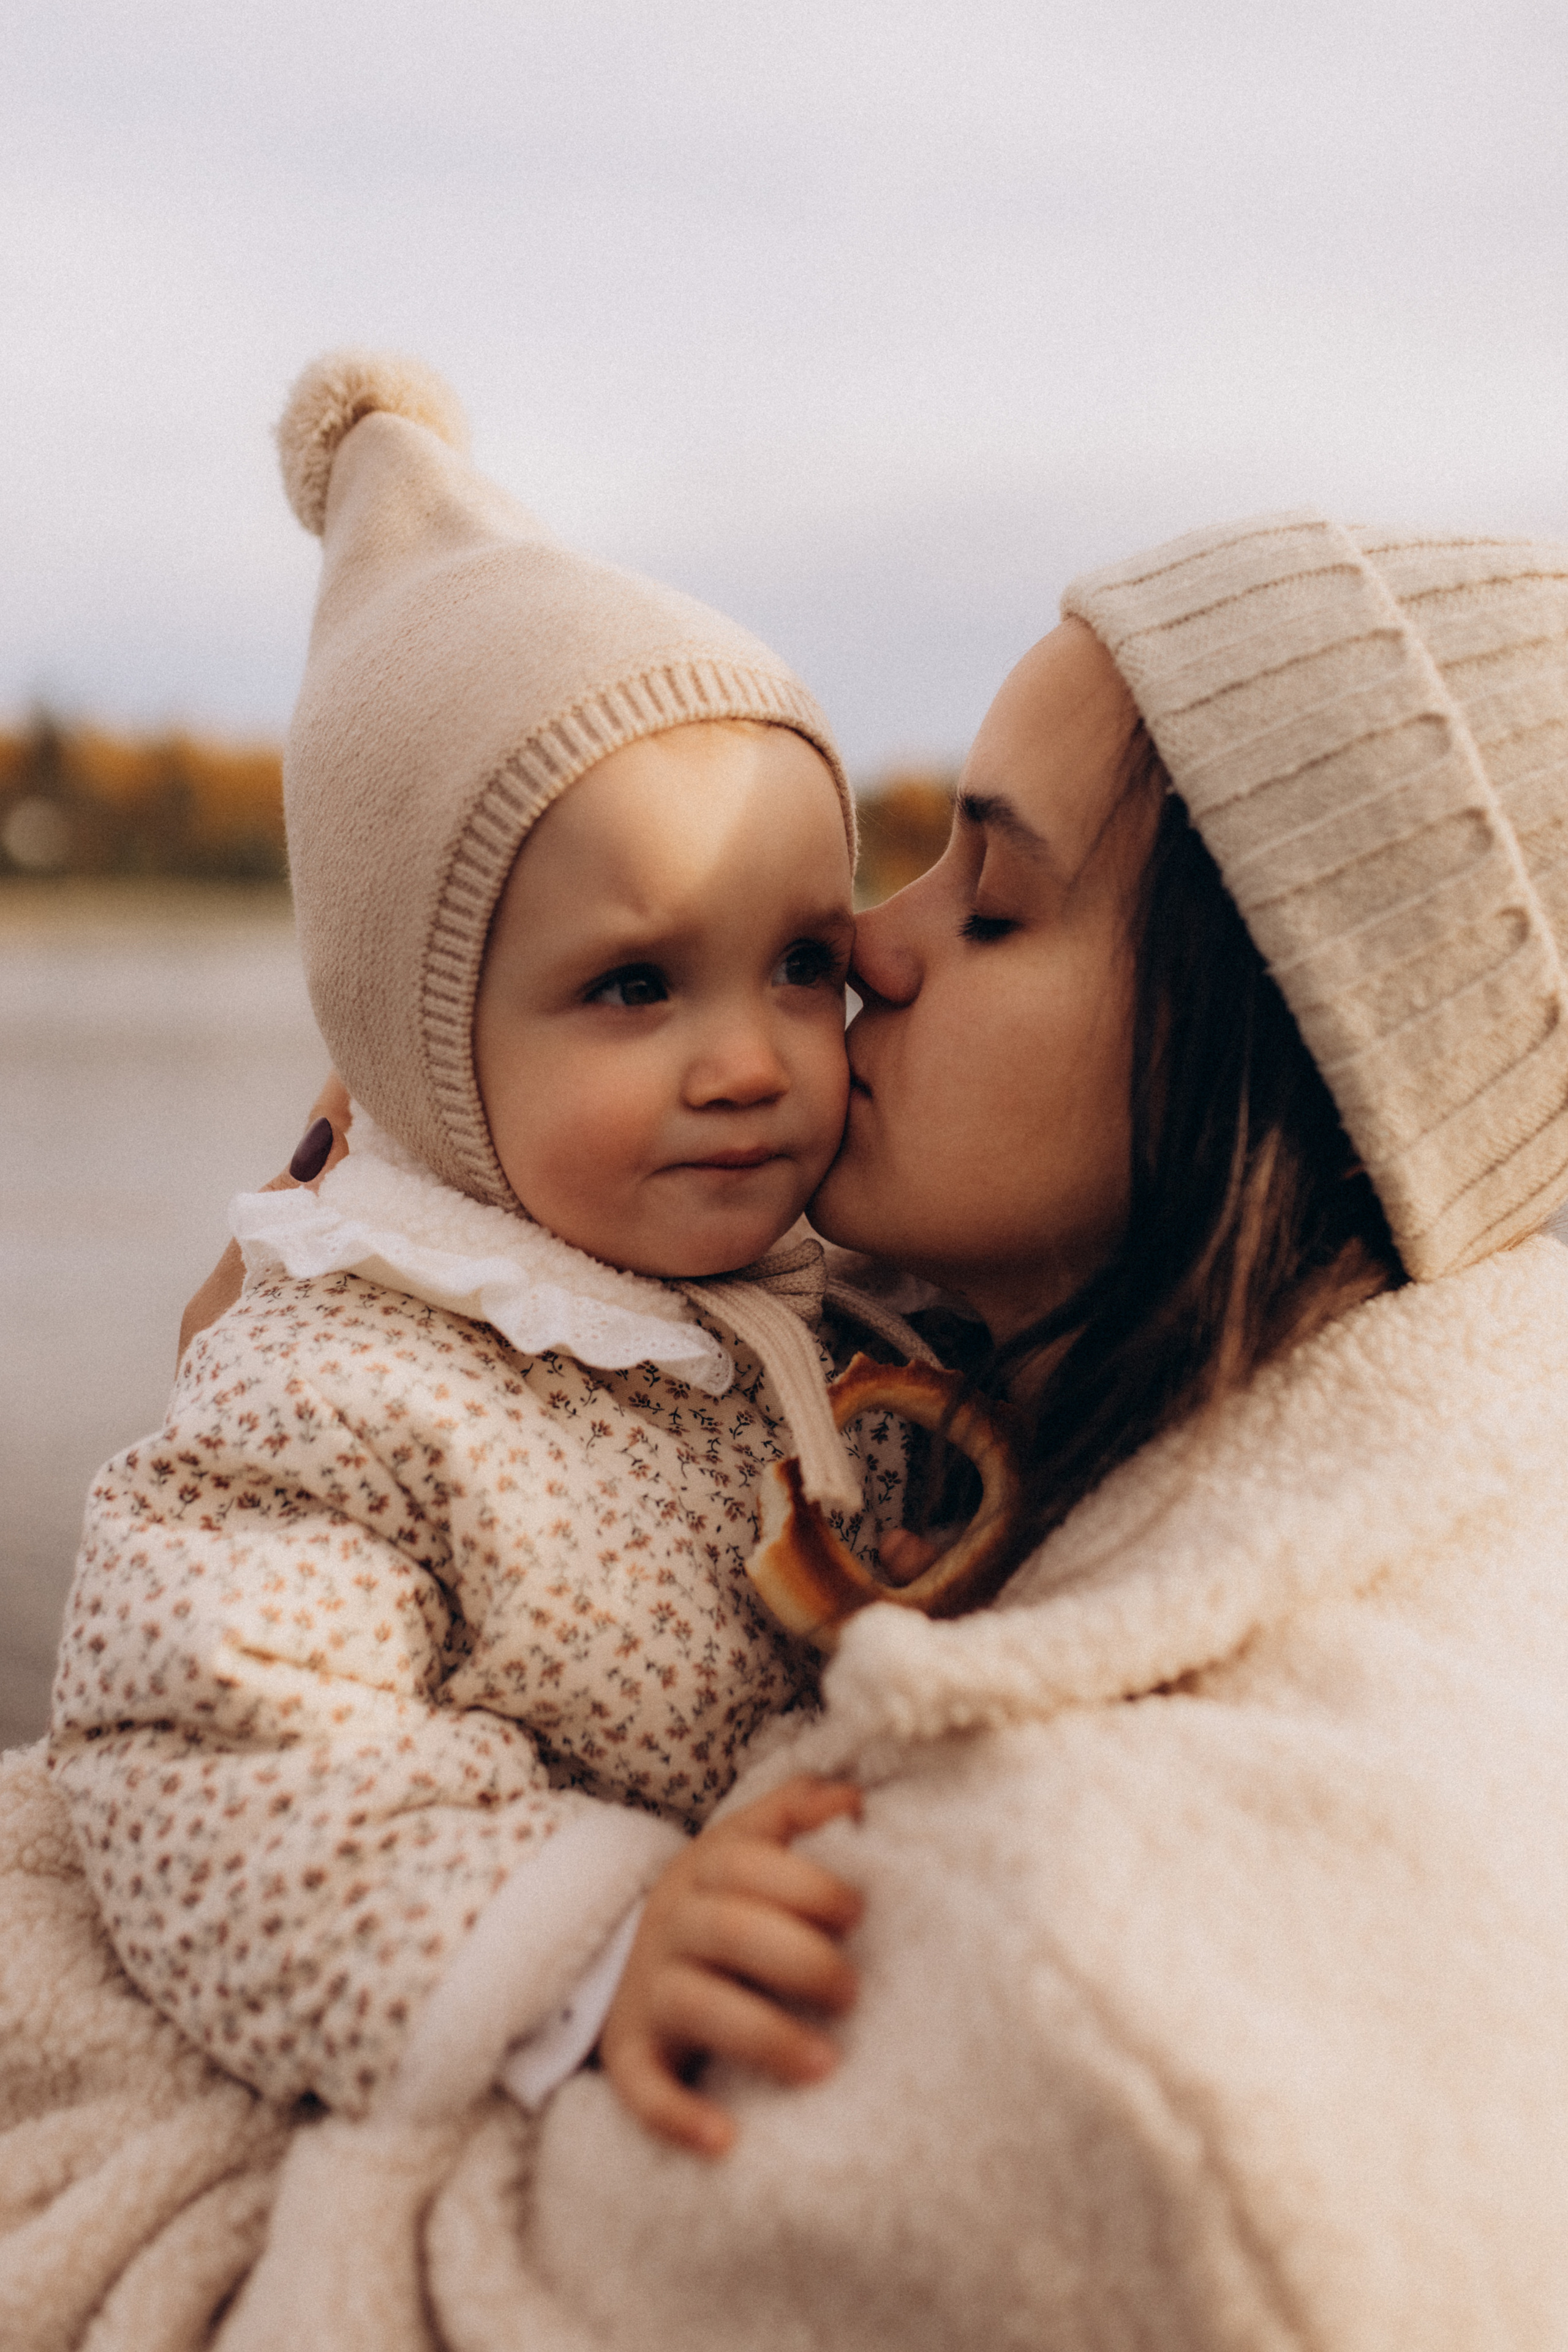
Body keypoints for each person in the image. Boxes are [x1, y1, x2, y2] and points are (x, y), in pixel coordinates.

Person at [20, 500, 1568, 2349]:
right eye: (637, 982)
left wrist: (576, 1947)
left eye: (988, 901)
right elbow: (218, 1702)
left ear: (1289, 1057)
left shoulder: (1093, 1999)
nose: (862, 962)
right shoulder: (1158, 1397)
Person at [45, 353, 918, 2138]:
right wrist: (586, 1946)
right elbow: (209, 1757)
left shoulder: (850, 1289)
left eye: (804, 963)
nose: (750, 1060)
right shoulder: (339, 1385)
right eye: (633, 985)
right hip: (573, 2030)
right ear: (427, 1044)